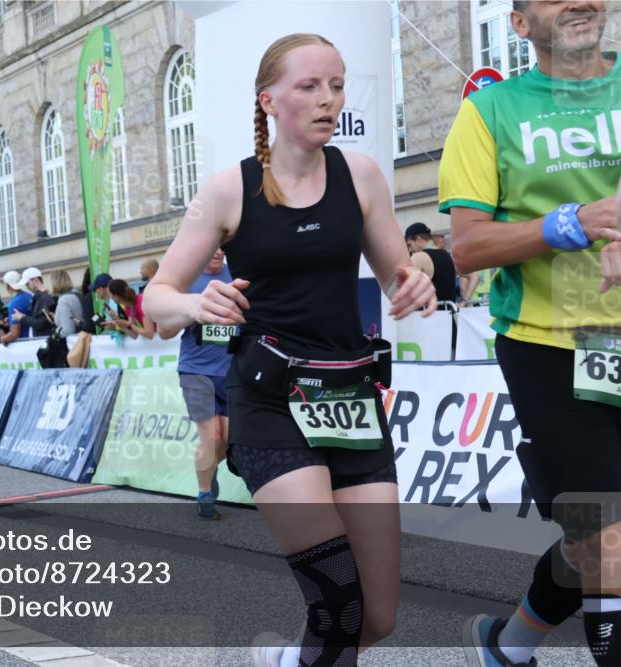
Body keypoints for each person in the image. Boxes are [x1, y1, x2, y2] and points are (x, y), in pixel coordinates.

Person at [142, 34, 436, 666]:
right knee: (340, 607)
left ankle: (284, 660)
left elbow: (393, 275)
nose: (328, 99)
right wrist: (199, 303)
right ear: (268, 100)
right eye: (309, 87)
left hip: (350, 399)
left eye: (336, 85)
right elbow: (155, 302)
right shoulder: (229, 189)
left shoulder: (361, 175)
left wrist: (415, 277)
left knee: (377, 618)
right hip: (272, 403)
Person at [438, 2, 621, 665]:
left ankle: (507, 646)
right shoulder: (489, 112)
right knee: (605, 537)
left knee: (585, 542)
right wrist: (570, 223)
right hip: (551, 346)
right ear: (519, 25)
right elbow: (466, 246)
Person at [160, 248, 233, 521]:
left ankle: (208, 470)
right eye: (212, 245)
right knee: (212, 437)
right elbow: (164, 330)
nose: (217, 251)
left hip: (233, 371)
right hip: (196, 371)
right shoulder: (187, 281)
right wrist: (196, 309)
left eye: (222, 245)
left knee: (230, 441)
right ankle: (205, 497)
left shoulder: (236, 274)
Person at [405, 222, 458, 304]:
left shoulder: (418, 257)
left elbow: (404, 287)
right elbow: (473, 275)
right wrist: (465, 300)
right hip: (450, 312)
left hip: (430, 314)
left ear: (418, 239)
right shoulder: (446, 255)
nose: (410, 250)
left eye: (410, 245)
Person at [12, 267, 55, 337]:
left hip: (45, 340)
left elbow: (41, 323)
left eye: (27, 284)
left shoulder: (44, 298)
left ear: (35, 280)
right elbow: (38, 320)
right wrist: (23, 317)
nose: (27, 287)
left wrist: (22, 318)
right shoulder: (40, 298)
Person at [0, 270, 32, 345]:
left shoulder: (13, 303)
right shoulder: (29, 295)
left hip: (25, 344)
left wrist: (3, 338)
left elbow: (14, 334)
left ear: (8, 286)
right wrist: (10, 321)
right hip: (34, 339)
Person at [50, 270, 83, 336]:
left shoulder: (64, 300)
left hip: (74, 342)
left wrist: (57, 332)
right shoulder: (77, 294)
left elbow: (68, 330)